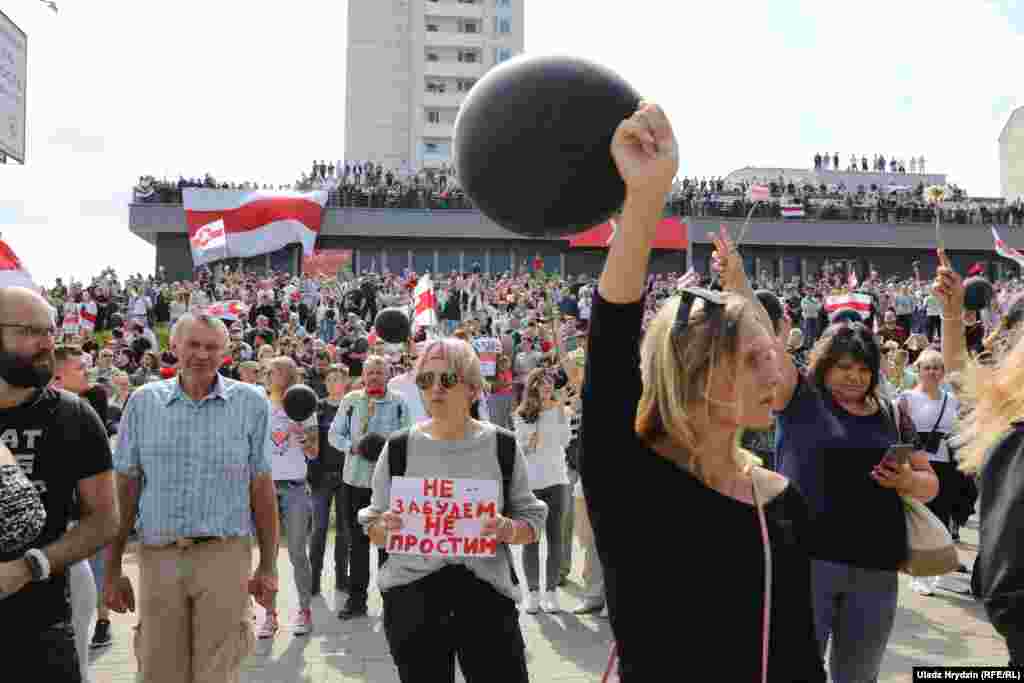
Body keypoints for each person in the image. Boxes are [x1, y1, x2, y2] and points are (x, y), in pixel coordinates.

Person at [582, 102, 825, 680]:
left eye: (775, 356)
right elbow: (613, 340)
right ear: (696, 373)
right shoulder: (628, 479)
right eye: (753, 359)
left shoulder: (781, 502)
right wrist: (645, 198)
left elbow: (799, 655)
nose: (774, 375)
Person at [359, 337, 547, 683]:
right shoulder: (399, 447)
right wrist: (384, 528)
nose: (435, 389)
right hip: (412, 596)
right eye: (425, 380)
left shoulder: (502, 445)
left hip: (485, 594)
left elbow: (532, 519)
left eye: (446, 379)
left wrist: (507, 528)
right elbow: (373, 521)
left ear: (474, 389)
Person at [105, 312, 280, 683]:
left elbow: (262, 490)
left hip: (225, 555)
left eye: (212, 346)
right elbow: (125, 490)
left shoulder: (251, 403)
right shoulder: (142, 402)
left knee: (218, 671)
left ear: (225, 352)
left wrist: (268, 565)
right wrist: (112, 568)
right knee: (158, 669)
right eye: (193, 344)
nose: (202, 354)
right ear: (174, 347)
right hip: (158, 556)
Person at [775, 314, 938, 678]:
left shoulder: (892, 413)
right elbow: (772, 352)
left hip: (875, 572)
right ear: (824, 365)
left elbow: (930, 484)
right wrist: (737, 277)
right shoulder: (799, 398)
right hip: (806, 567)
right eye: (844, 367)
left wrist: (906, 480)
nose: (855, 377)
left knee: (859, 676)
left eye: (864, 369)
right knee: (793, 671)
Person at [0, 286, 118, 683]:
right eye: (31, 331)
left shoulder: (73, 417)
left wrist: (31, 567)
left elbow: (103, 519)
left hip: (41, 634)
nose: (47, 342)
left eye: (50, 331)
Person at [327, 355, 411, 619]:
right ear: (363, 375)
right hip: (355, 481)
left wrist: (386, 448)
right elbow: (333, 434)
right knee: (357, 544)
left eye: (379, 372)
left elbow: (408, 437)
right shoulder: (351, 401)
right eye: (370, 372)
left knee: (389, 544)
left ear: (387, 374)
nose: (374, 376)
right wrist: (351, 446)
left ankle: (392, 602)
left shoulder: (399, 403)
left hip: (387, 486)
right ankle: (357, 601)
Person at [256, 356, 319, 638]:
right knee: (266, 557)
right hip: (264, 488)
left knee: (296, 553)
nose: (271, 375)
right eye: (268, 371)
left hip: (294, 487)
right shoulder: (258, 404)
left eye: (277, 371)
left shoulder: (303, 405)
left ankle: (304, 610)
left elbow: (313, 453)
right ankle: (269, 615)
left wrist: (302, 435)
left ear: (290, 375)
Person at [901, 349, 961, 596]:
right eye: (928, 367)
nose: (933, 372)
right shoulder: (906, 398)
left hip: (944, 464)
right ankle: (918, 571)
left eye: (937, 367)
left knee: (940, 516)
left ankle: (935, 569)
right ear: (919, 370)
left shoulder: (951, 400)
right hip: (915, 465)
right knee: (918, 518)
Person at [514, 367, 571, 613]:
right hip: (532, 484)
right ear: (534, 387)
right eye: (543, 383)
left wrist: (559, 412)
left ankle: (551, 593)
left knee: (555, 538)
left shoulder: (561, 411)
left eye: (551, 383)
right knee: (531, 539)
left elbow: (564, 441)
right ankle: (533, 594)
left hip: (557, 480)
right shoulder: (521, 414)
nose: (548, 387)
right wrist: (529, 442)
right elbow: (520, 448)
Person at [309, 364, 351, 600]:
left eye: (338, 378)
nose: (334, 382)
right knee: (319, 529)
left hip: (347, 477)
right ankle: (314, 579)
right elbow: (311, 442)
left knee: (344, 531)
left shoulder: (353, 406)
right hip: (321, 478)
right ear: (325, 383)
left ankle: (342, 580)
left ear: (345, 382)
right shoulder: (318, 408)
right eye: (330, 378)